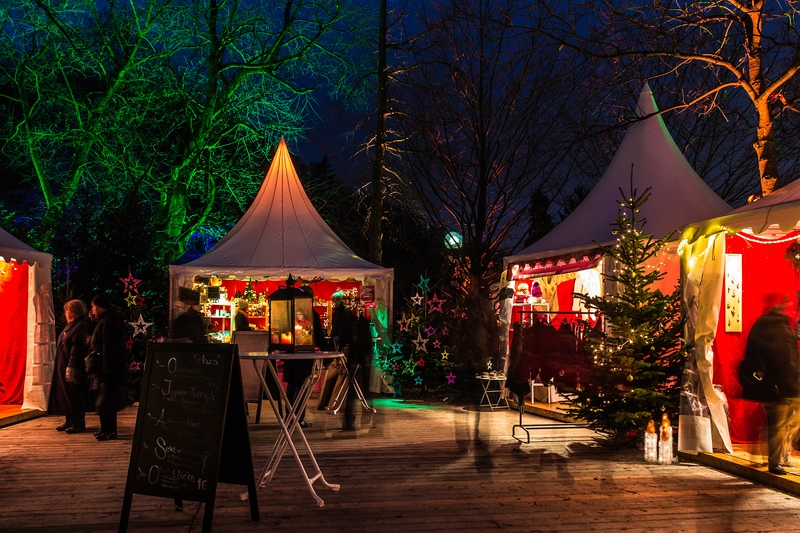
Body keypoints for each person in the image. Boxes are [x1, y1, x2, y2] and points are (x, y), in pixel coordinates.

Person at [742, 298, 800, 475]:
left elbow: (790, 356)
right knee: (777, 424)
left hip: (789, 383)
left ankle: (782, 456)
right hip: (777, 385)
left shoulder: (781, 326)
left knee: (790, 422)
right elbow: (771, 357)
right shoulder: (769, 326)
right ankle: (775, 462)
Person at [283, 292, 327, 428]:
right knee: (303, 386)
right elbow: (319, 335)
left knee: (293, 386)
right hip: (305, 355)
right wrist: (326, 348)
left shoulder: (289, 313)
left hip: (291, 355)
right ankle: (298, 418)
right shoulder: (312, 314)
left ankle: (290, 417)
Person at [88, 293, 127, 441]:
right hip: (105, 367)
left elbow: (108, 347)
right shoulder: (105, 320)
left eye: (94, 306)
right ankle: (106, 429)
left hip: (108, 368)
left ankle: (110, 430)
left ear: (100, 306)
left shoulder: (109, 322)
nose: (92, 309)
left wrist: (107, 368)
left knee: (107, 401)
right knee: (104, 400)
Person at [48, 299, 91, 434]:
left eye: (66, 311)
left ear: (72, 312)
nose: (65, 313)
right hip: (63, 364)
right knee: (65, 394)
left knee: (74, 394)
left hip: (72, 366)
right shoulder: (71, 325)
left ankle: (78, 423)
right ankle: (69, 420)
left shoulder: (79, 326)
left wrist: (72, 366)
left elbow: (77, 348)